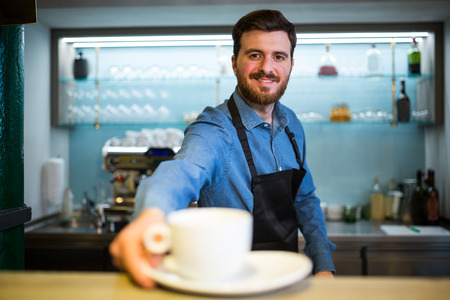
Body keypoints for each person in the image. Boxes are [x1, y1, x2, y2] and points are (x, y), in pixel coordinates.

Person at [110, 9, 336, 288]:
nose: (267, 67)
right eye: (255, 55)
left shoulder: (292, 125)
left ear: (290, 64)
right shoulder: (215, 130)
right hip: (227, 285)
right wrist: (152, 215)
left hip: (285, 282)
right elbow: (182, 170)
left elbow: (304, 199)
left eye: (278, 56)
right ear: (234, 63)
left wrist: (322, 263)